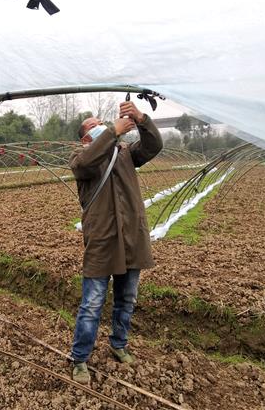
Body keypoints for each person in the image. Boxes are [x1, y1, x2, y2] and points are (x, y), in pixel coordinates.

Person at [69, 100, 163, 384]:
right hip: (102, 240)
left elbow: (153, 146)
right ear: (86, 137)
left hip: (131, 238)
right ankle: (80, 358)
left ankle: (119, 344)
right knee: (92, 303)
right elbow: (85, 163)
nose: (100, 128)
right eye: (93, 127)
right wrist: (112, 130)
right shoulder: (81, 157)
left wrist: (141, 118)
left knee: (126, 299)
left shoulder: (124, 153)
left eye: (101, 123)